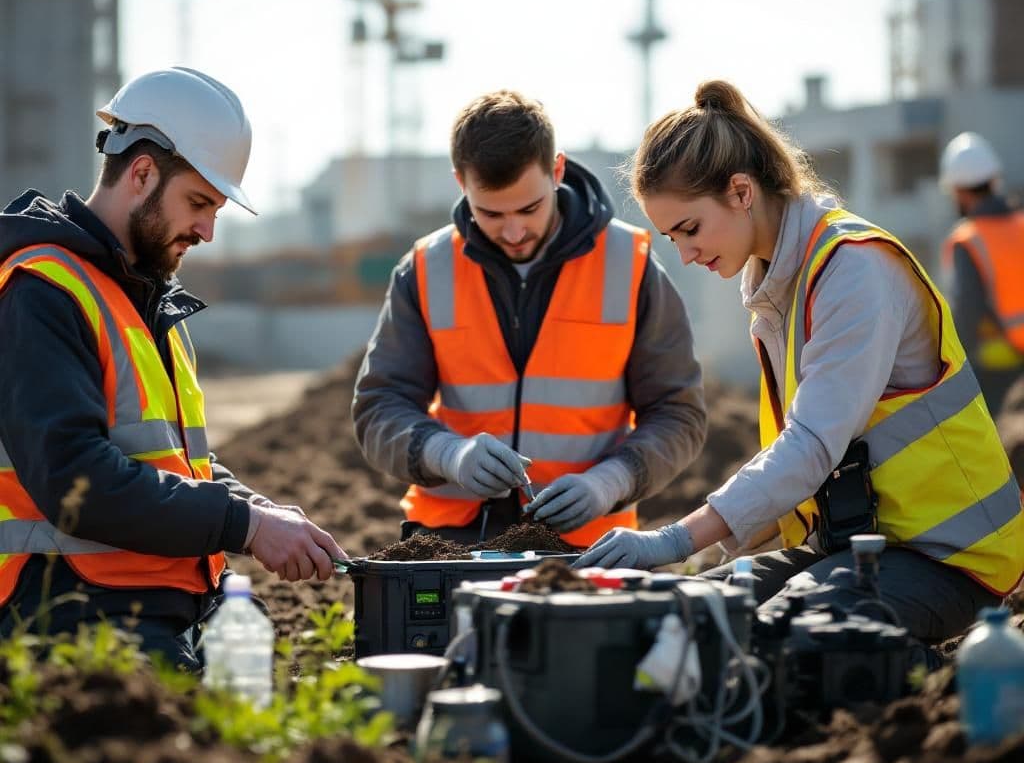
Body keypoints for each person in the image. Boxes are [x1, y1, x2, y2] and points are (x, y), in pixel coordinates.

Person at [577, 80, 1024, 644]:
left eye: (689, 229)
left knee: (783, 640)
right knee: (690, 614)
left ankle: (922, 682)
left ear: (741, 191)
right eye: (672, 238)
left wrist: (676, 540)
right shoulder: (780, 286)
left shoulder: (852, 270)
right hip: (857, 543)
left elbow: (809, 445)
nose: (685, 255)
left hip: (950, 555)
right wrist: (697, 561)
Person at [0, 67, 345, 670]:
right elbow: (75, 481)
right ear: (140, 174)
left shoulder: (150, 300)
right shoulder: (42, 291)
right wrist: (244, 525)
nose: (209, 231)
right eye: (199, 203)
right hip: (65, 611)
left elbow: (177, 463)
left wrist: (256, 507)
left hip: (150, 601)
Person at [353, 90, 706, 547]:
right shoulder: (424, 269)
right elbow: (379, 407)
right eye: (491, 213)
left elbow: (679, 415)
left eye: (529, 208)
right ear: (461, 181)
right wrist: (449, 455)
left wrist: (610, 483)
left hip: (588, 545)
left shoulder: (630, 266)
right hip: (448, 542)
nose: (514, 231)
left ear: (556, 170)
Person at [939, 131, 1024, 418]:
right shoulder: (1020, 225)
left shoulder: (968, 240)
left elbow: (967, 314)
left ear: (959, 191)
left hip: (998, 369)